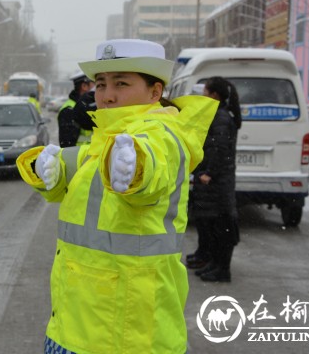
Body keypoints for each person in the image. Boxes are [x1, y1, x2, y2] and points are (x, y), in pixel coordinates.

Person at [16, 39, 218, 354]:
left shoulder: (161, 136)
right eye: (101, 84)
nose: (107, 95)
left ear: (155, 91)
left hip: (127, 336)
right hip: (71, 324)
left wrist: (137, 169)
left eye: (121, 83)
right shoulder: (102, 142)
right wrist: (45, 169)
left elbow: (151, 167)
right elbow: (73, 169)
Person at [189, 76, 242, 283]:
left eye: (205, 92)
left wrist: (208, 173)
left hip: (218, 182)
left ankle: (222, 270)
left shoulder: (221, 117)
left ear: (214, 95)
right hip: (215, 181)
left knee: (222, 226)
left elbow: (220, 149)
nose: (202, 95)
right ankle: (214, 263)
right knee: (212, 224)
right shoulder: (217, 115)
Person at [57, 71, 94, 147]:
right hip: (79, 157)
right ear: (84, 86)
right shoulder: (69, 110)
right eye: (94, 83)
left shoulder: (90, 105)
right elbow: (67, 145)